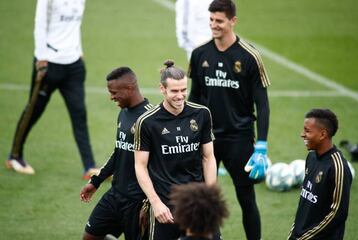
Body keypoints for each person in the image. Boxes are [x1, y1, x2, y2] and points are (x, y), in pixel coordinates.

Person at [188, 0, 270, 239]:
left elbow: (262, 104)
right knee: (202, 197)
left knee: (246, 198)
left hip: (239, 139)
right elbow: (195, 96)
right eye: (211, 20)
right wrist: (190, 129)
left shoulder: (249, 57)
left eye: (219, 21)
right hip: (207, 138)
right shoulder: (199, 53)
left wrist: (262, 144)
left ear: (233, 21)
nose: (214, 25)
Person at [5, 0, 98, 179]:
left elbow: (75, 25)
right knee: (33, 111)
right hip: (49, 64)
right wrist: (41, 58)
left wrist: (79, 51)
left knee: (79, 113)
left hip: (74, 65)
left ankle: (89, 166)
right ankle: (15, 156)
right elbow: (39, 24)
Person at [134, 60, 219, 240]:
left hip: (197, 204)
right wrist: (156, 203)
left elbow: (208, 158)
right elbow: (140, 166)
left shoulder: (202, 114)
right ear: (162, 89)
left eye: (183, 90)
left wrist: (210, 199)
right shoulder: (147, 122)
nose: (180, 96)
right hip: (165, 206)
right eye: (174, 91)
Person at [80, 67, 152, 240]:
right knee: (90, 237)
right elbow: (119, 152)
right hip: (115, 195)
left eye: (114, 92)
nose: (111, 97)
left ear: (129, 89)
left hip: (137, 201)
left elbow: (162, 164)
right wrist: (96, 181)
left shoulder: (151, 118)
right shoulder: (123, 113)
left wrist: (152, 202)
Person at [288, 109, 352, 240]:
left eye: (307, 131)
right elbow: (304, 202)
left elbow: (338, 213)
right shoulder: (311, 157)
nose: (302, 134)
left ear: (322, 134)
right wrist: (294, 234)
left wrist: (305, 237)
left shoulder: (338, 167)